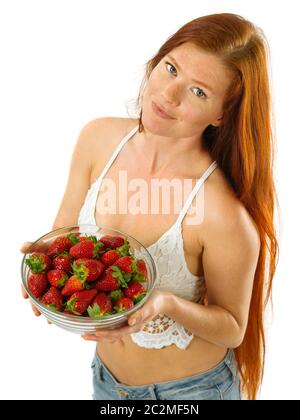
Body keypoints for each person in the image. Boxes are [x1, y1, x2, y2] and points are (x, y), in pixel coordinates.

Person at [21, 13, 279, 400]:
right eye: (170, 68)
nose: (168, 95)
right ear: (155, 61)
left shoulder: (223, 214)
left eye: (199, 92)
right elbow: (66, 235)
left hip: (192, 393)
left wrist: (167, 304)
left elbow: (232, 327)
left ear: (222, 115)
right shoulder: (97, 139)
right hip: (107, 385)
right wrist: (44, 266)